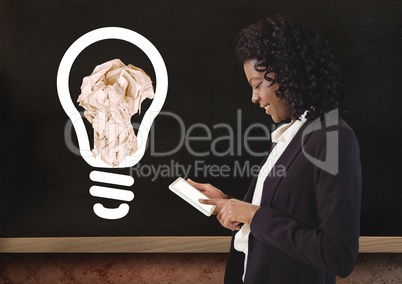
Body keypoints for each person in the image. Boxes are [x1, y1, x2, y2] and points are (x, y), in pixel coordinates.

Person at [188, 14, 362, 283]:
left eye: (257, 85)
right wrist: (230, 206)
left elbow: (338, 255)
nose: (254, 97)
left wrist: (254, 215)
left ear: (287, 74)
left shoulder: (333, 136)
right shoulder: (293, 136)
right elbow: (281, 216)